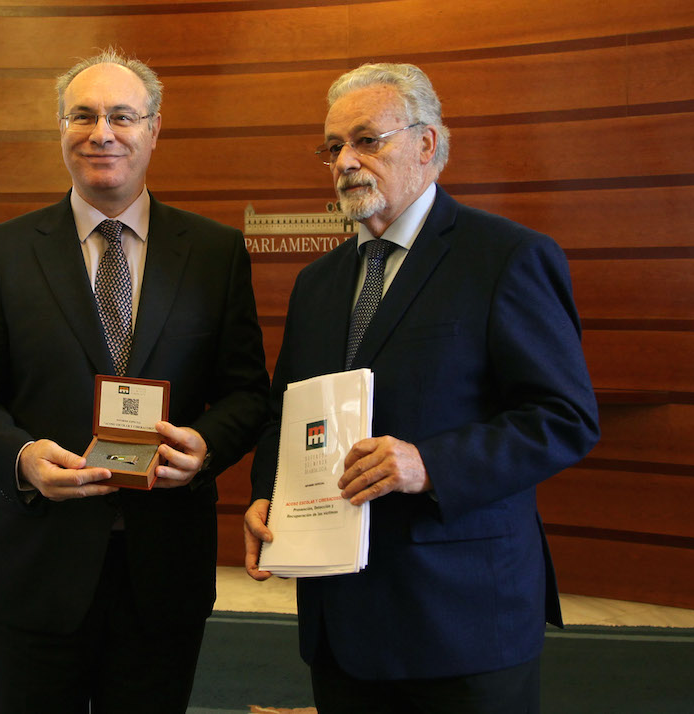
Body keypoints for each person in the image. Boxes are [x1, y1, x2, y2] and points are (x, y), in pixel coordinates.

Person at [244, 62, 600, 713]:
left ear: (427, 144)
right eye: (332, 147)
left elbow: (564, 417)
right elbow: (284, 417)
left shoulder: (507, 258)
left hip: (463, 617)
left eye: (366, 140)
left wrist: (430, 463)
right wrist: (269, 494)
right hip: (341, 620)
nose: (345, 160)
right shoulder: (318, 284)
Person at [0, 48, 269, 713]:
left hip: (164, 568)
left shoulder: (214, 253)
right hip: (35, 565)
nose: (102, 133)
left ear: (154, 129)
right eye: (82, 115)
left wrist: (205, 447)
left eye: (122, 115)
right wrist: (24, 458)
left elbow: (247, 392)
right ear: (60, 128)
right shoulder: (3, 251)